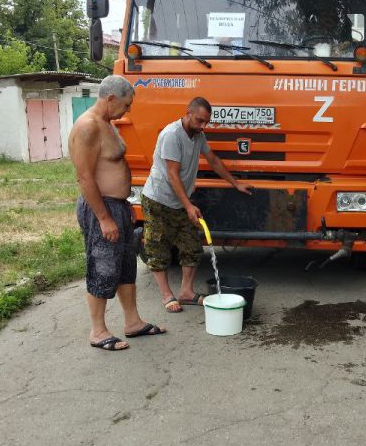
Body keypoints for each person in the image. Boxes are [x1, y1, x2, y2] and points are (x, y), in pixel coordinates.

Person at [68, 76, 165, 351]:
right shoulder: (88, 127)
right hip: (102, 208)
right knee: (102, 267)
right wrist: (104, 218)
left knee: (125, 266)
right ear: (111, 99)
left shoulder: (107, 125)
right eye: (126, 105)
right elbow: (85, 178)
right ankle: (98, 331)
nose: (128, 111)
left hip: (119, 206)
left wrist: (124, 209)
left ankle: (132, 322)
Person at [142, 97, 252, 312]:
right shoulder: (172, 135)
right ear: (188, 112)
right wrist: (189, 206)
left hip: (180, 201)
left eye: (206, 123)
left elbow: (213, 160)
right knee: (158, 249)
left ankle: (186, 292)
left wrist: (235, 183)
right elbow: (173, 175)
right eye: (199, 120)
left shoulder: (198, 135)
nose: (203, 126)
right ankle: (167, 296)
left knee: (192, 245)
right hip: (159, 199)